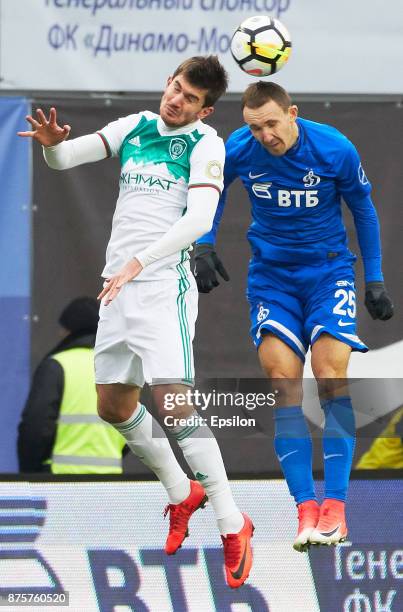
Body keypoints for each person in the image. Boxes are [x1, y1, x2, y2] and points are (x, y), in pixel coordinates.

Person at [18, 56, 253, 588]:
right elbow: (64, 160)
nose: (176, 100)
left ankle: (232, 523)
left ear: (205, 108)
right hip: (117, 287)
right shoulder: (135, 126)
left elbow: (198, 220)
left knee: (173, 403)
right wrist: (54, 144)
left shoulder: (205, 145)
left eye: (189, 98)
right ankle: (181, 492)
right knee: (113, 405)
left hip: (159, 286)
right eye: (175, 88)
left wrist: (139, 262)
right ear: (167, 83)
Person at [194, 81, 394, 552]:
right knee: (283, 381)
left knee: (329, 376)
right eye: (253, 127)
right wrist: (204, 242)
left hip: (328, 273)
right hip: (272, 279)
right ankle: (305, 507)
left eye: (270, 124)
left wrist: (375, 279)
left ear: (292, 114)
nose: (264, 135)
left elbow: (362, 208)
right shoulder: (239, 148)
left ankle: (336, 509)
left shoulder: (333, 148)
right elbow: (214, 190)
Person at [18, 297, 126, 474]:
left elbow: (35, 426)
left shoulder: (57, 366)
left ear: (68, 331)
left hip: (61, 481)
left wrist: (31, 472)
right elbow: (134, 426)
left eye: (62, 329)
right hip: (111, 482)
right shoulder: (118, 368)